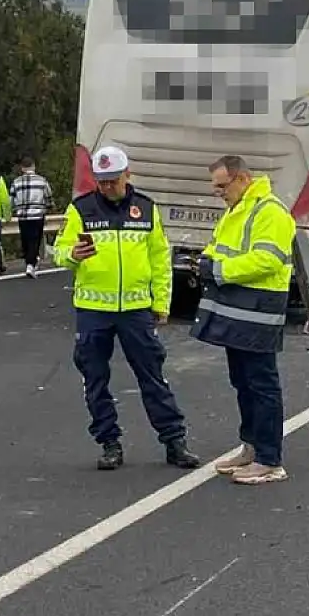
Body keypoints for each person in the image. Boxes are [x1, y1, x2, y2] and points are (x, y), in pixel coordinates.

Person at [54, 146, 200, 471]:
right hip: (93, 309)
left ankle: (175, 442)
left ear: (127, 175)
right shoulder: (81, 209)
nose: (107, 187)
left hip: (136, 309)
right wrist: (71, 255)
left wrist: (161, 303)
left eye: (113, 180)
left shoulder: (146, 208)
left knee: (153, 376)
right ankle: (109, 443)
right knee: (95, 379)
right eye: (102, 181)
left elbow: (160, 259)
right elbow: (60, 250)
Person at [194, 155, 295, 485]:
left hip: (259, 309)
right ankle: (251, 447)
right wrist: (205, 261)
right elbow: (217, 246)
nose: (219, 193)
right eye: (215, 187)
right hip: (237, 308)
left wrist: (219, 270)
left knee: (261, 383)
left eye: (222, 186)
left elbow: (268, 259)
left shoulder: (270, 211)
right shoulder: (236, 210)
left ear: (242, 179)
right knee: (243, 381)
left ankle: (269, 459)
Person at [10, 157, 54, 277]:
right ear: (33, 166)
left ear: (22, 168)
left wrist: (13, 211)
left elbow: (11, 200)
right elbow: (48, 196)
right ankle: (31, 264)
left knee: (25, 239)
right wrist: (49, 207)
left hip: (23, 216)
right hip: (37, 214)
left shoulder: (16, 182)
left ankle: (29, 261)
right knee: (35, 239)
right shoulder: (42, 181)